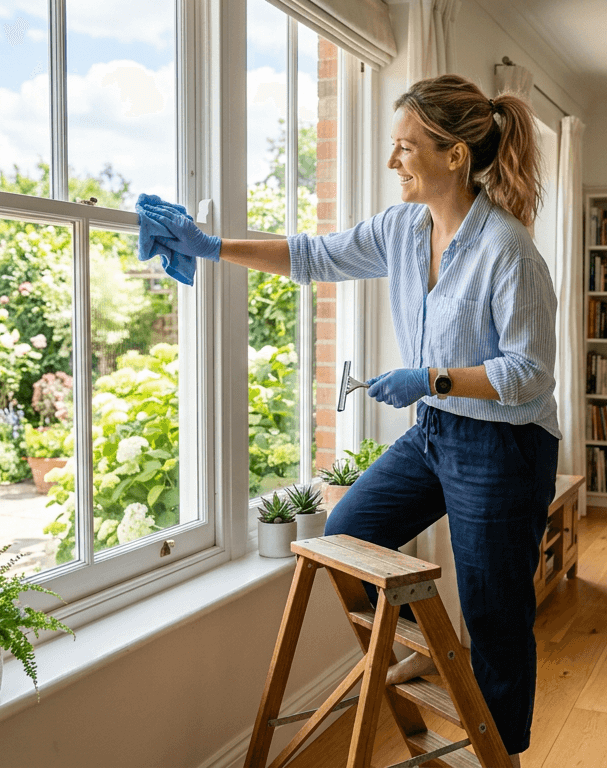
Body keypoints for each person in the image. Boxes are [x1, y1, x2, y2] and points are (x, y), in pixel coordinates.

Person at [139, 73, 560, 764]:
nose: (393, 160)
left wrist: (430, 376)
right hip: (435, 432)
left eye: (405, 146)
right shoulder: (401, 228)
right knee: (350, 530)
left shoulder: (507, 251)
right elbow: (312, 255)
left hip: (503, 445)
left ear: (454, 155)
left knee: (496, 614)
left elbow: (529, 373)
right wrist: (212, 247)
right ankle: (424, 663)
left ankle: (501, 757)